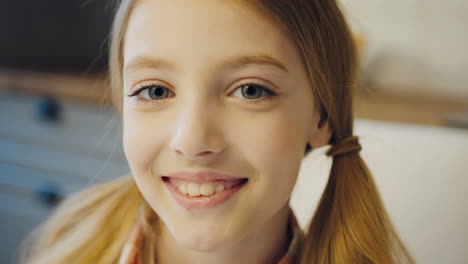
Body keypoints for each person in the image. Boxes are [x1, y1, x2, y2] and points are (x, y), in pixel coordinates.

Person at [20, 0, 415, 263]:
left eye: (250, 90)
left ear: (321, 117)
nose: (191, 141)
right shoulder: (69, 242)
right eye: (155, 90)